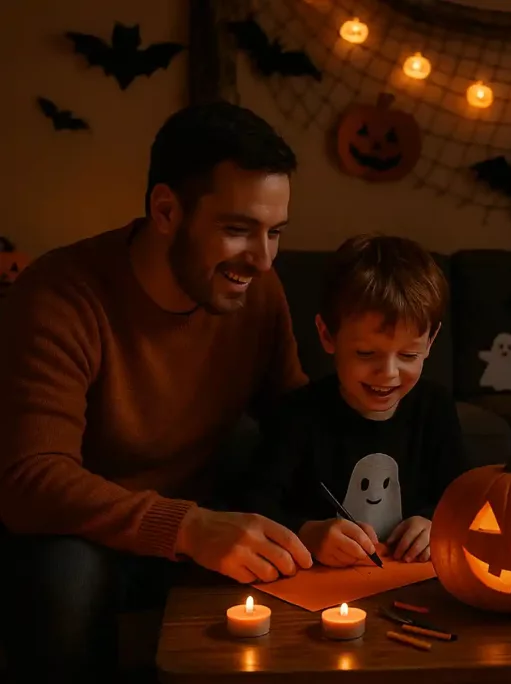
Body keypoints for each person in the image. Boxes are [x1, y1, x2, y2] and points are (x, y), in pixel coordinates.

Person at [0, 101, 315, 682]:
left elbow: (298, 421)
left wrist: (339, 515)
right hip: (83, 536)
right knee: (66, 574)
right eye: (239, 230)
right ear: (166, 210)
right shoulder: (60, 296)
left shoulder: (256, 296)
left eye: (275, 233)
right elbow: (31, 478)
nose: (264, 260)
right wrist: (188, 526)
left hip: (197, 524)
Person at [238, 233, 468, 567]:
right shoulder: (299, 414)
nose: (388, 373)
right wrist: (308, 533)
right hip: (321, 584)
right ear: (327, 335)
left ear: (431, 341)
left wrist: (435, 522)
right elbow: (254, 504)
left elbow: (462, 496)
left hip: (410, 582)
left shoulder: (434, 407)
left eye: (408, 354)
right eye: (366, 353)